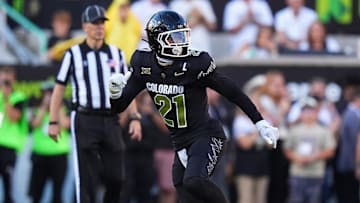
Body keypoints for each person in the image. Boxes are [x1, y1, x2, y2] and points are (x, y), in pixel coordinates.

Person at [108, 10, 279, 203]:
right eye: (173, 38)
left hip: (206, 134)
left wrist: (260, 122)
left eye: (182, 36)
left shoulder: (195, 64)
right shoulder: (144, 64)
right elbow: (118, 106)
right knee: (185, 195)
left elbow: (233, 92)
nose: (180, 42)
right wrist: (114, 93)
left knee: (194, 181)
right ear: (157, 40)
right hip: (179, 142)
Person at [48, 5, 142, 203]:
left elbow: (127, 87)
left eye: (102, 23)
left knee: (117, 178)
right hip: (84, 118)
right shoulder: (73, 54)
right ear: (85, 26)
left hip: (111, 119)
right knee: (86, 178)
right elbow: (58, 88)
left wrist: (134, 116)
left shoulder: (116, 54)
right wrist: (53, 120)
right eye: (95, 23)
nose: (100, 27)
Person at [284, 97, 335, 203]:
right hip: (297, 173)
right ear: (301, 113)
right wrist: (297, 158)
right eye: (305, 111)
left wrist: (314, 157)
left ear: (316, 112)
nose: (308, 114)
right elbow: (287, 149)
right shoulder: (294, 130)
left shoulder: (323, 131)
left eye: (311, 111)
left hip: (316, 174)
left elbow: (330, 150)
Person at [28, 81, 70, 203]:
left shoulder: (63, 109)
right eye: (47, 93)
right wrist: (44, 105)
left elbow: (66, 125)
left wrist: (57, 105)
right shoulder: (36, 108)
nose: (50, 96)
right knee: (36, 193)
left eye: (53, 93)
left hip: (59, 157)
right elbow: (35, 124)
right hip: (40, 156)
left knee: (57, 194)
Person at [0, 67, 28, 203]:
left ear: (13, 79)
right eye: (2, 76)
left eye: (7, 77)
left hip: (9, 148)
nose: (4, 79)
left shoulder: (18, 97)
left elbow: (13, 117)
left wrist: (6, 98)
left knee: (8, 186)